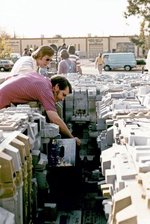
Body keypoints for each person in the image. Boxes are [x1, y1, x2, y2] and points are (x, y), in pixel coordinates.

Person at [0, 73, 81, 146]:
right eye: (63, 95)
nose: (62, 99)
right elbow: (55, 119)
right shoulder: (46, 90)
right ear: (56, 87)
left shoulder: (43, 80)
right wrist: (71, 137)